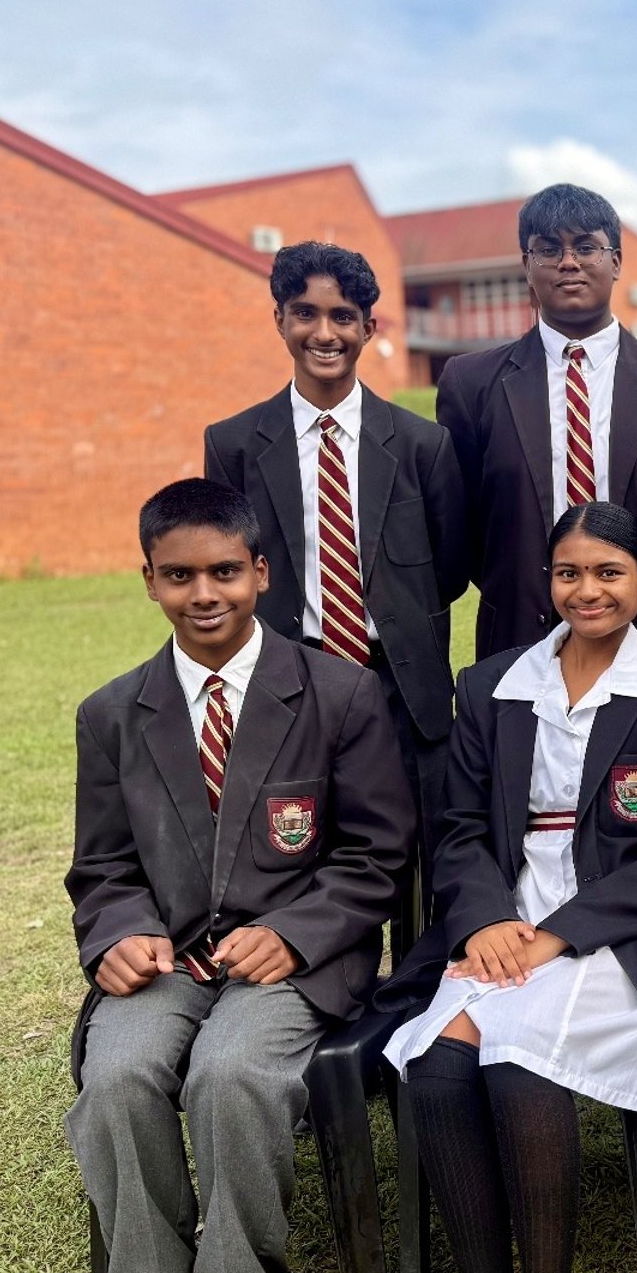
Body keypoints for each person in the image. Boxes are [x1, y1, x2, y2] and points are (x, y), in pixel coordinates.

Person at [66, 478, 413, 1273]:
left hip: (297, 961)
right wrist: (119, 933)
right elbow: (101, 866)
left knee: (230, 1075)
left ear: (261, 571)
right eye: (179, 575)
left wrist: (295, 932)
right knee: (117, 1078)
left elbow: (378, 852)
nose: (204, 593)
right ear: (149, 580)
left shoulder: (339, 693)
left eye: (224, 571)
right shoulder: (112, 714)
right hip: (168, 961)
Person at [378, 500, 637, 1273]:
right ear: (548, 581)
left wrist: (559, 935)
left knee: (519, 1060)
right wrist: (488, 920)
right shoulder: (492, 685)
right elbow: (458, 828)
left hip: (623, 930)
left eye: (610, 572)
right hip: (507, 912)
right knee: (441, 1063)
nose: (588, 589)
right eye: (569, 572)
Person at [204, 240, 466, 902]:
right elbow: (226, 569)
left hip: (398, 681)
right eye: (306, 314)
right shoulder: (234, 445)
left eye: (343, 316)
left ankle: (417, 962)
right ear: (280, 320)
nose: (324, 333)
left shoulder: (422, 444)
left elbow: (451, 567)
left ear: (368, 327)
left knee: (415, 849)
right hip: (293, 676)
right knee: (300, 843)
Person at [435, 184, 637, 668]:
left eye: (586, 247)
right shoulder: (471, 386)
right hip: (520, 641)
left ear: (616, 261)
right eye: (549, 249)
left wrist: (634, 589)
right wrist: (534, 585)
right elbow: (464, 527)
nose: (568, 262)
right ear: (527, 265)